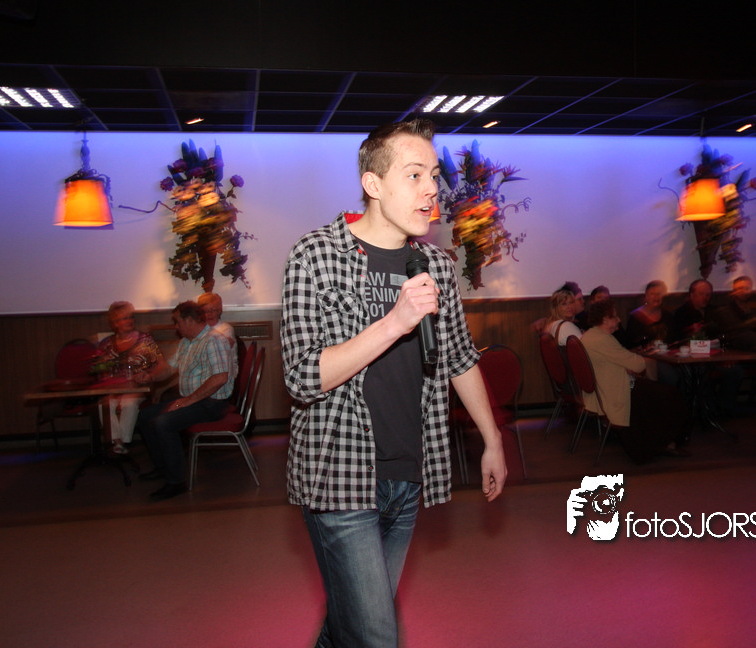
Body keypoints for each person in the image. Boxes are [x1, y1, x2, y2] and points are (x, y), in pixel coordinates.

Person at [280, 118, 507, 648]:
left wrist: (493, 440)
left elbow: (459, 358)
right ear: (373, 184)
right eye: (414, 175)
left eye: (433, 176)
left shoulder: (436, 265)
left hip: (409, 473)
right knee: (376, 636)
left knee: (350, 624)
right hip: (339, 475)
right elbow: (302, 376)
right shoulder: (315, 255)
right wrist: (394, 322)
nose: (431, 189)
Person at [133, 301, 236, 501]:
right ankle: (163, 467)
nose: (175, 326)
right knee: (145, 416)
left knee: (163, 423)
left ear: (189, 320)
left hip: (213, 403)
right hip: (196, 400)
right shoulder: (187, 342)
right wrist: (150, 376)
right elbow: (169, 368)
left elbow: (220, 378)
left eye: (177, 321)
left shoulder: (213, 340)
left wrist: (186, 401)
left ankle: (176, 481)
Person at [580, 299, 689, 463]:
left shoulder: (590, 335)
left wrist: (629, 360)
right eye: (615, 316)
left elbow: (619, 359)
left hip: (605, 386)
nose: (619, 320)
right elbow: (638, 365)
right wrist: (640, 358)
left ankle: (659, 441)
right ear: (605, 319)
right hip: (615, 390)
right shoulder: (603, 339)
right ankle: (663, 443)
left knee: (659, 392)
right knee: (671, 394)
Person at [93, 301, 162, 454]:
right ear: (115, 323)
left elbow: (160, 364)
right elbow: (98, 370)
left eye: (131, 317)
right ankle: (117, 442)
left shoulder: (145, 340)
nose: (130, 321)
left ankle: (122, 442)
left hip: (139, 388)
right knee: (104, 404)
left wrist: (149, 376)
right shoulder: (106, 344)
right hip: (114, 389)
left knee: (129, 402)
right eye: (125, 318)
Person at [713, 275, 756, 350]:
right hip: (736, 346)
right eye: (740, 288)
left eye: (747, 288)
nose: (743, 291)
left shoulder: (755, 306)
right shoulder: (726, 310)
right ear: (734, 291)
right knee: (748, 336)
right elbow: (734, 331)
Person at [625, 280, 673, 349]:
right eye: (652, 294)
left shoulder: (668, 316)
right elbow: (631, 343)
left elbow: (674, 339)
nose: (656, 297)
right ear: (646, 296)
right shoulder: (636, 317)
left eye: (659, 294)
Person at [670, 278, 717, 345]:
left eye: (708, 294)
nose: (705, 297)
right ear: (691, 295)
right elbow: (676, 338)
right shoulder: (681, 314)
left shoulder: (714, 311)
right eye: (701, 294)